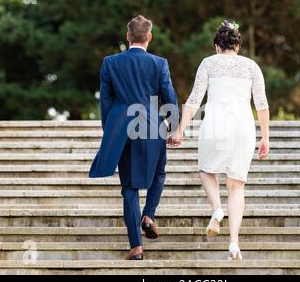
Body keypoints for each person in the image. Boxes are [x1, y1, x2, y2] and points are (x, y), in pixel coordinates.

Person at [169, 20, 270, 260]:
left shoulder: (208, 64)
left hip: (214, 123)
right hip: (242, 127)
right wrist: (265, 137)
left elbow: (194, 100)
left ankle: (216, 210)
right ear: (238, 46)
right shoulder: (251, 66)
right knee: (236, 185)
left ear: (217, 46)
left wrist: (180, 130)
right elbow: (262, 104)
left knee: (206, 169)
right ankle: (234, 243)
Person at [89, 15, 178, 260]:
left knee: (129, 187)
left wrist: (110, 131)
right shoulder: (160, 63)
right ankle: (149, 214)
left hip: (122, 127)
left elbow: (106, 101)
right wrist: (174, 126)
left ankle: (136, 247)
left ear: (128, 37)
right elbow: (168, 95)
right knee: (159, 172)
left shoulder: (110, 63)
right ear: (149, 37)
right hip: (151, 125)